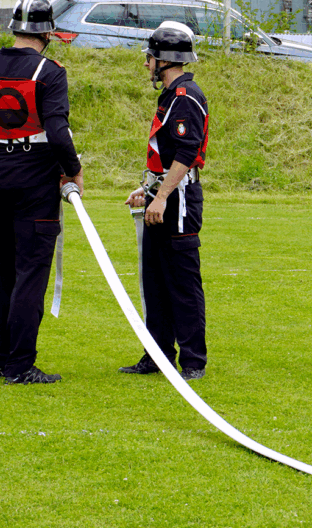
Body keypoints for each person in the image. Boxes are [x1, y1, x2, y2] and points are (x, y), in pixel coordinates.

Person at [0, 0, 84, 385]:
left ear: (15, 28)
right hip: (35, 181)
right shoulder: (50, 72)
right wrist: (73, 170)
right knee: (31, 271)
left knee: (1, 270)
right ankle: (19, 364)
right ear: (47, 33)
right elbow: (58, 132)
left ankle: (0, 357)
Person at [120, 21, 210, 380]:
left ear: (165, 60)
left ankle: (193, 361)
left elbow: (186, 153)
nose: (147, 63)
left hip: (180, 201)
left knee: (182, 283)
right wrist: (147, 191)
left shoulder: (185, 97)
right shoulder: (171, 96)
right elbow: (165, 154)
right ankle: (156, 356)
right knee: (154, 281)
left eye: (150, 57)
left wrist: (161, 197)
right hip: (163, 195)